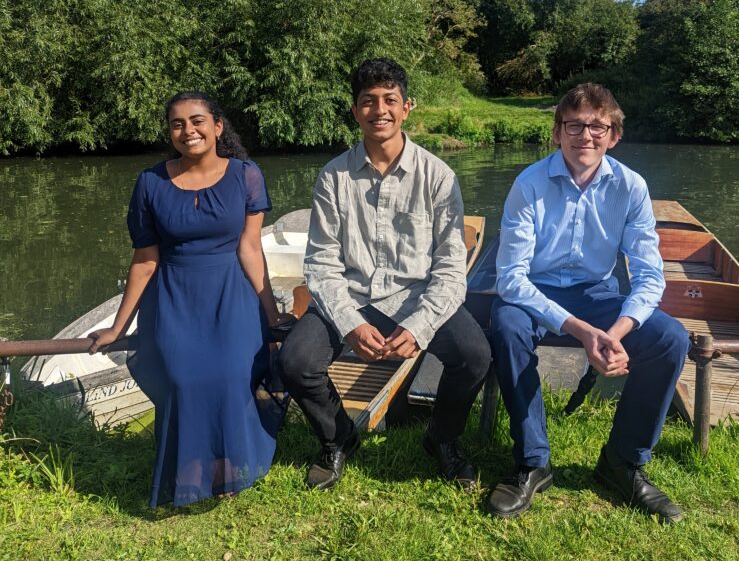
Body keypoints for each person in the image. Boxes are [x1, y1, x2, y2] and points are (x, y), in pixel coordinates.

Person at [279, 58, 492, 490]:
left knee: (474, 355)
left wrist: (419, 325)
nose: (380, 110)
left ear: (407, 107)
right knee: (296, 361)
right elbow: (320, 264)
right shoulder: (333, 177)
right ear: (355, 111)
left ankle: (442, 438)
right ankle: (338, 438)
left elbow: (451, 269)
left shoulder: (438, 176)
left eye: (390, 100)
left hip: (416, 297)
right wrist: (350, 324)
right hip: (351, 297)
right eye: (368, 101)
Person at [488, 83, 689, 522]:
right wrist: (581, 330)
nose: (586, 136)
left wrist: (616, 332)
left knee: (669, 338)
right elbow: (511, 278)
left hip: (598, 294)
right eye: (574, 125)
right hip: (534, 292)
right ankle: (533, 461)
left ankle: (623, 462)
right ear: (557, 132)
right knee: (506, 325)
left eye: (598, 126)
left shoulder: (631, 187)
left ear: (614, 136)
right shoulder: (529, 184)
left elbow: (650, 275)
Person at [89, 92, 286, 508]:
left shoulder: (246, 175)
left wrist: (270, 314)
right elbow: (145, 260)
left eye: (197, 121)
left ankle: (230, 469)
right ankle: (192, 469)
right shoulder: (150, 183)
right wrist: (118, 326)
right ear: (170, 132)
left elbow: (250, 249)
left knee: (233, 377)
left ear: (217, 127)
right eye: (177, 124)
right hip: (174, 298)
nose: (188, 130)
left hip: (230, 294)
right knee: (185, 381)